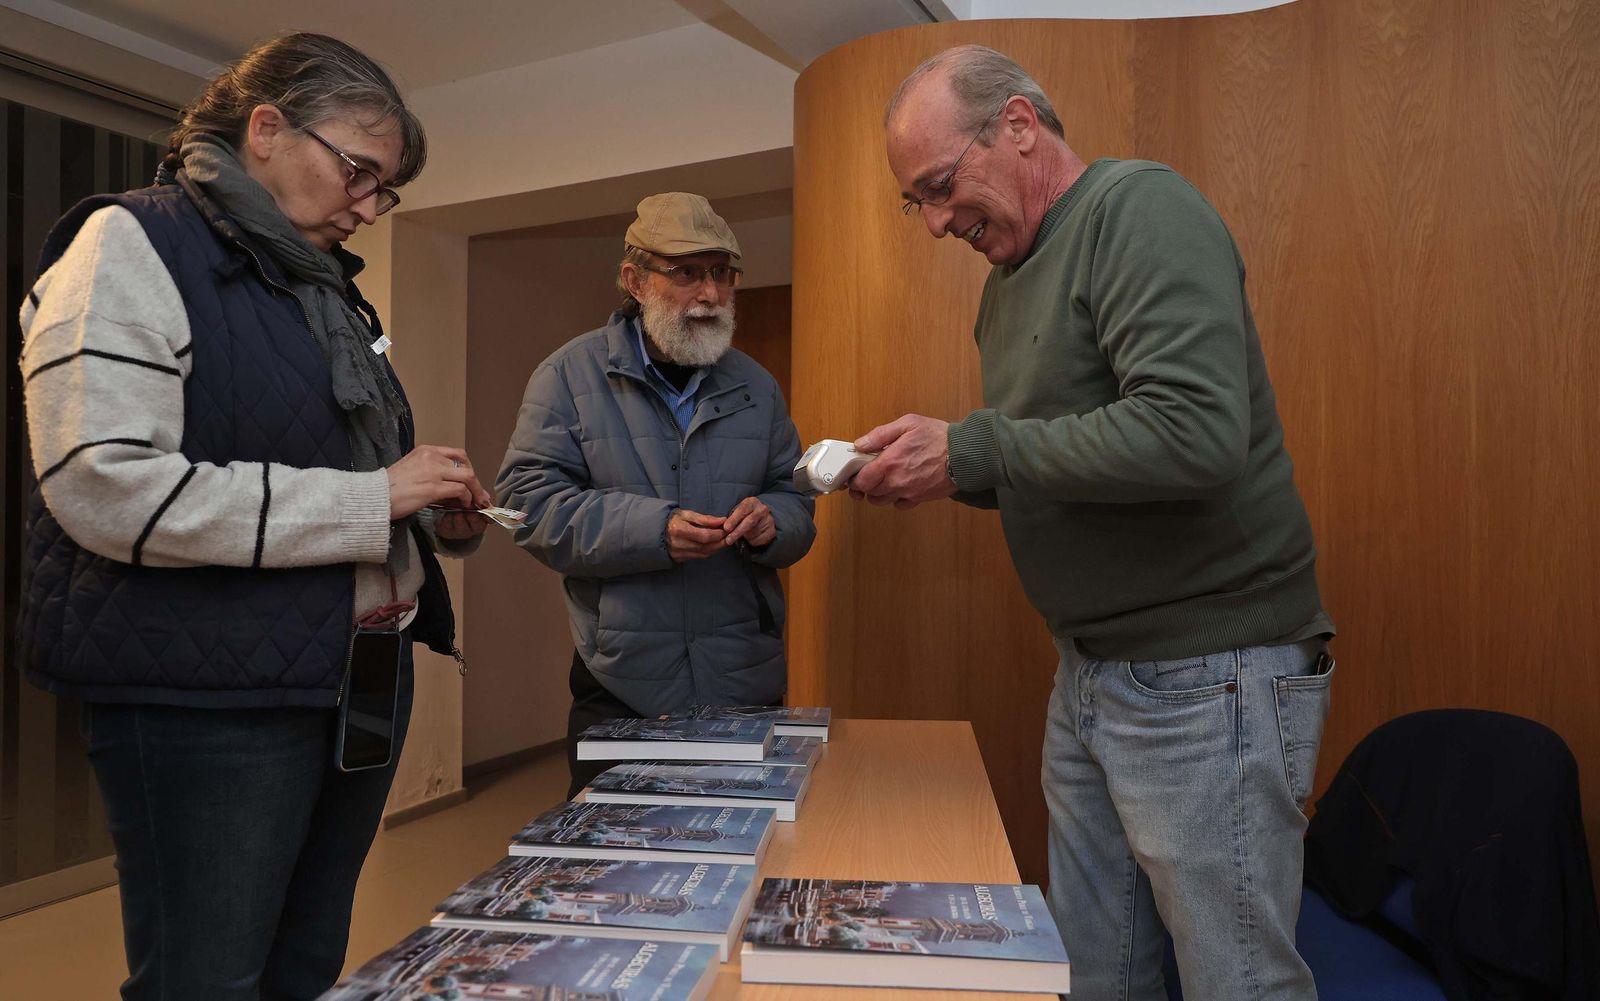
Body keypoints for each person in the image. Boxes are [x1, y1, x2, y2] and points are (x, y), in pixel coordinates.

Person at [852, 44, 1337, 1000]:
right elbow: (1068, 456)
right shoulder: (1005, 288)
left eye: (943, 186)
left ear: (1021, 126)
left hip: (1208, 677)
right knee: (1092, 969)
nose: (939, 222)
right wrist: (944, 473)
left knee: (1236, 978)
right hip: (1090, 673)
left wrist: (977, 451)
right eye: (920, 203)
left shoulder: (1138, 210)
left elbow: (1193, 434)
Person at [16, 32, 492, 1001]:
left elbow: (325, 462)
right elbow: (105, 485)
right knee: (208, 978)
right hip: (209, 696)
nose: (366, 206)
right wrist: (375, 496)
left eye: (382, 188)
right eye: (358, 171)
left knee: (303, 963)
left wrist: (432, 510)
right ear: (266, 129)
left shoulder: (318, 291)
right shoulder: (130, 243)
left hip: (352, 677)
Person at [496, 192, 816, 798]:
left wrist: (774, 520)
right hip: (620, 684)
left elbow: (795, 499)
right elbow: (522, 506)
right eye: (687, 272)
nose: (710, 294)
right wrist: (654, 530)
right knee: (615, 875)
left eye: (723, 273)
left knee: (749, 860)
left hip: (745, 680)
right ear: (634, 280)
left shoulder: (757, 385)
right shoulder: (567, 375)